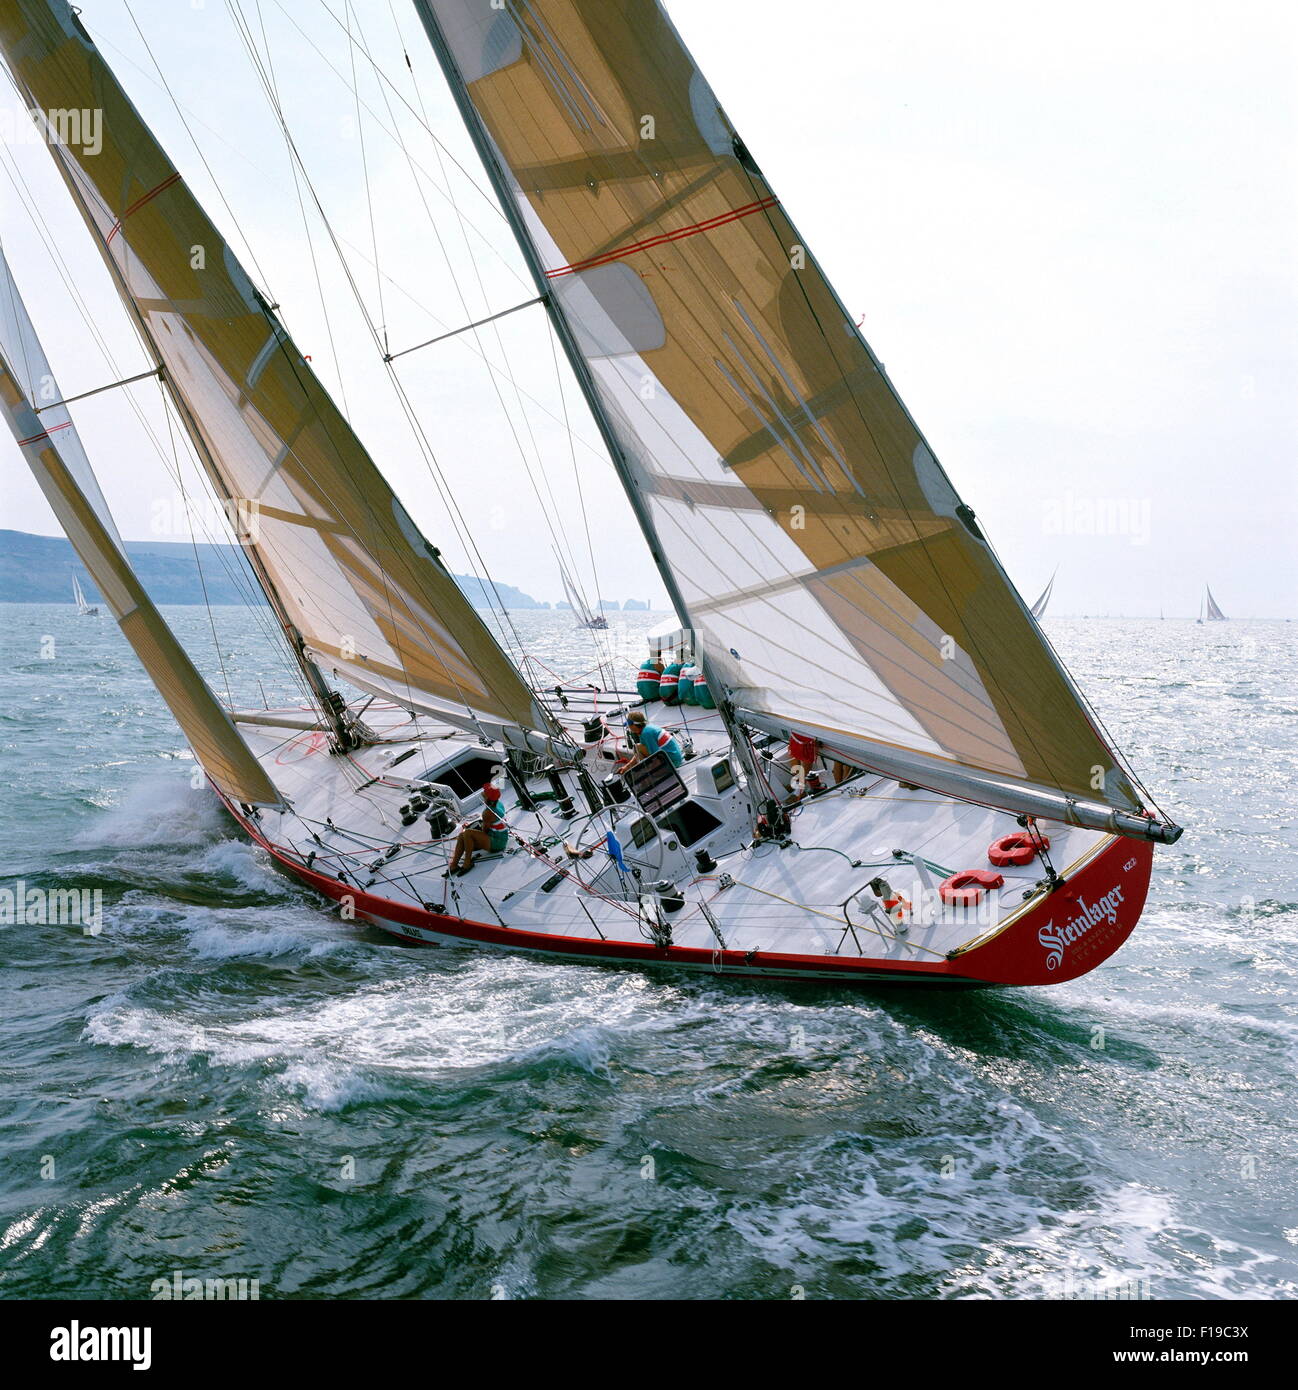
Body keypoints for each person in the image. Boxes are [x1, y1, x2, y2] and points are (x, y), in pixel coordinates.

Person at [447, 784, 508, 876]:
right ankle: (454, 865)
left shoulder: (487, 813)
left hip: (497, 843)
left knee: (467, 833)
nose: (483, 792)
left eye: (485, 792)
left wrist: (474, 838)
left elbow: (484, 831)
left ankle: (467, 863)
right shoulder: (498, 803)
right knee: (462, 835)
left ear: (488, 797)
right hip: (500, 837)